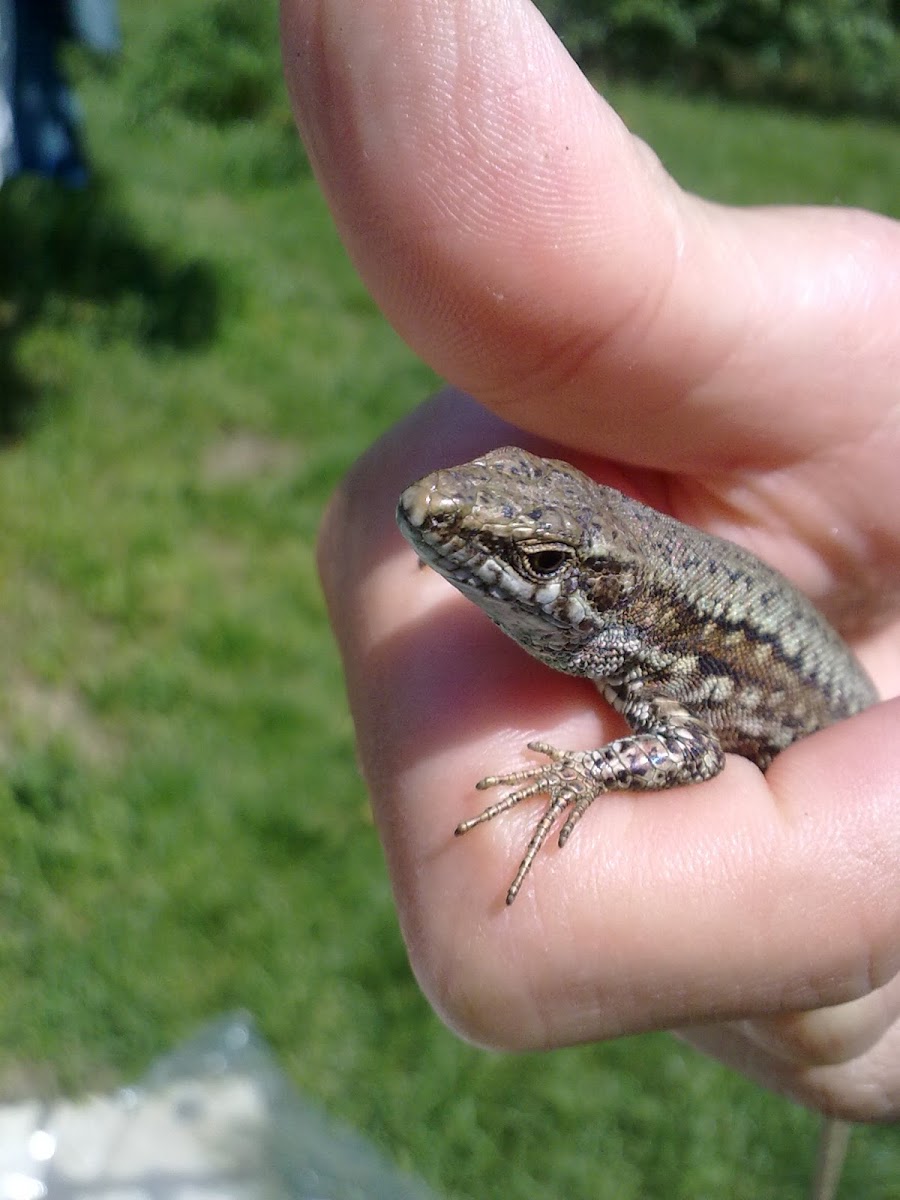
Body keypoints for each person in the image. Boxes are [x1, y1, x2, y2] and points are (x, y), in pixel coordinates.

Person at [280, 0, 900, 1121]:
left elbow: (690, 751)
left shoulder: (643, 652)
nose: (440, 518)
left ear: (591, 593)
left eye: (524, 555)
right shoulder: (614, 604)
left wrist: (580, 774)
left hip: (819, 699)